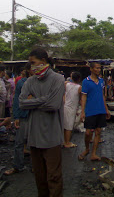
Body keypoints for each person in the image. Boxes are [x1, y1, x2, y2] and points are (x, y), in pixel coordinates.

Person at [19, 48, 65, 197]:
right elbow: (21, 103)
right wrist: (45, 99)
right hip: (33, 137)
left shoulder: (58, 79)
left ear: (43, 62)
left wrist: (33, 100)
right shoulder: (30, 81)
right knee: (40, 179)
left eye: (33, 63)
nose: (31, 66)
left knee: (54, 177)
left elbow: (54, 105)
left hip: (52, 136)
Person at [78, 62, 110, 161]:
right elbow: (83, 96)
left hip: (100, 110)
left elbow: (103, 96)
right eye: (96, 68)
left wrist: (106, 109)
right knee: (88, 133)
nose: (98, 70)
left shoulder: (101, 81)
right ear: (91, 69)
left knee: (98, 132)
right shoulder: (86, 81)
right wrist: (82, 111)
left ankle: (93, 153)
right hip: (90, 110)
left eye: (99, 68)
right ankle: (87, 149)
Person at [4, 63, 32, 175]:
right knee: (19, 142)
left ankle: (36, 166)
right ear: (29, 70)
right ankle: (17, 166)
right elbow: (17, 100)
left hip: (36, 117)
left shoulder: (41, 83)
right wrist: (16, 116)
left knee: (35, 143)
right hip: (23, 115)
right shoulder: (22, 82)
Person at [63, 71, 82, 148]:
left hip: (64, 106)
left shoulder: (66, 84)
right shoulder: (79, 87)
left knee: (64, 125)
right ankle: (67, 142)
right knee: (69, 126)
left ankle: (63, 141)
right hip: (72, 108)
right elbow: (81, 99)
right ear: (79, 79)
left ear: (71, 78)